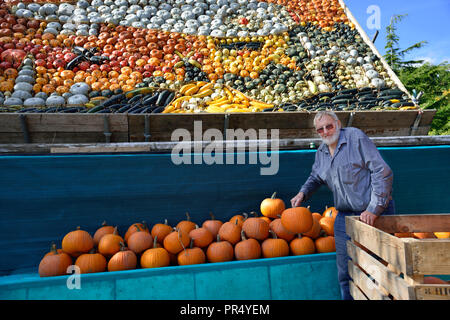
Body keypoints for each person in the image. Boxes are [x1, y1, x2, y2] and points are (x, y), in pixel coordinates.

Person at [290, 110, 395, 300]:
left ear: (338, 124)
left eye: (329, 126)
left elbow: (382, 171)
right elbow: (316, 176)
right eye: (320, 130)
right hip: (344, 216)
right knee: (345, 271)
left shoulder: (355, 138)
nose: (326, 132)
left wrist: (374, 209)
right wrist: (303, 193)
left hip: (373, 214)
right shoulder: (322, 152)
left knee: (377, 269)